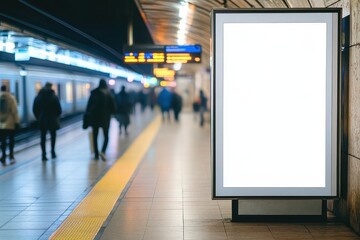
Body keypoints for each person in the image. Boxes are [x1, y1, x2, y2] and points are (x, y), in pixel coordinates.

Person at [84, 79, 115, 161]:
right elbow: (113, 107)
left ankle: (96, 154)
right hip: (105, 118)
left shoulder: (93, 94)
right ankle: (103, 151)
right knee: (106, 136)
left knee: (95, 136)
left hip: (94, 119)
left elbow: (88, 107)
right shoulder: (108, 94)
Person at [33, 82, 62, 161]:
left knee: (43, 138)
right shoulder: (54, 97)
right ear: (51, 87)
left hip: (42, 120)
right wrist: (56, 116)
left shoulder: (38, 97)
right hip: (52, 120)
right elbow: (59, 110)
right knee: (53, 136)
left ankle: (43, 155)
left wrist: (39, 117)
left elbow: (35, 109)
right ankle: (52, 152)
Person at [0, 85, 20, 166]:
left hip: (1, 124)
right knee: (11, 141)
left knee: (3, 141)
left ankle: (3, 157)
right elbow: (14, 111)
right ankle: (11, 157)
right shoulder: (11, 98)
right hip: (10, 123)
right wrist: (17, 122)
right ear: (7, 90)